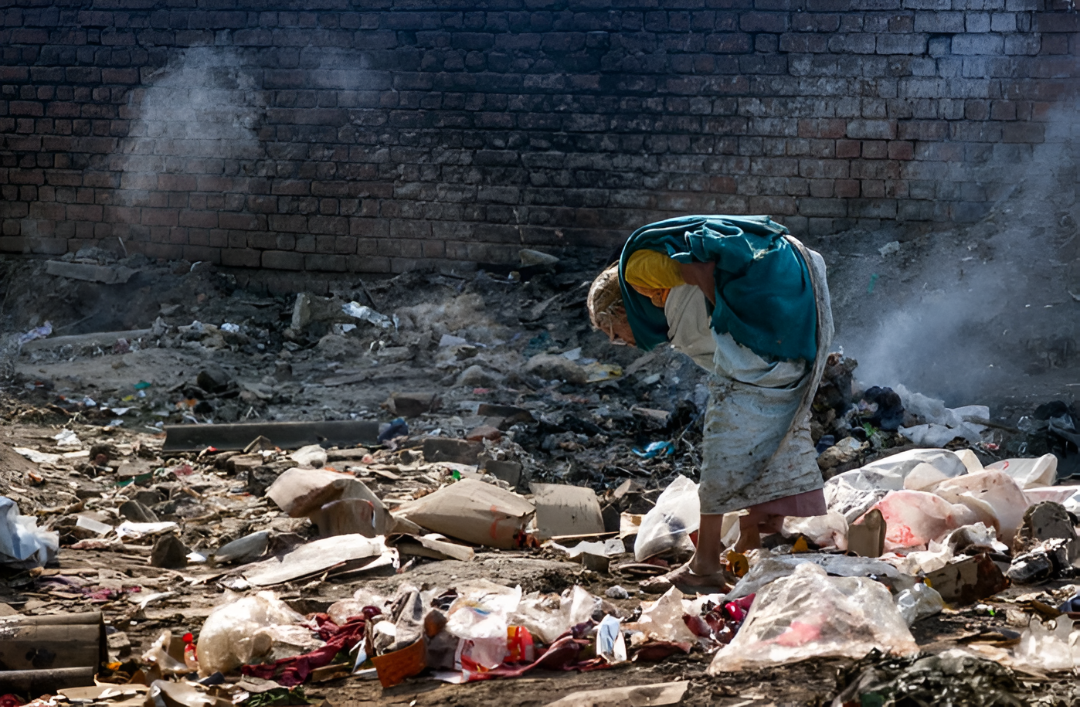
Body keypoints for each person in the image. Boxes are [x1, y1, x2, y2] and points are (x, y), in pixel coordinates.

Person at [587, 215, 834, 594]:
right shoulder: (660, 296)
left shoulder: (635, 269)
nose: (619, 341)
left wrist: (730, 321)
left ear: (618, 309)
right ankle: (753, 535)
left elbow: (700, 267)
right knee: (765, 426)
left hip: (775, 298)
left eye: (612, 332)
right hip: (795, 294)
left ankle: (704, 566)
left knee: (725, 441)